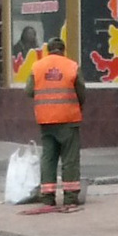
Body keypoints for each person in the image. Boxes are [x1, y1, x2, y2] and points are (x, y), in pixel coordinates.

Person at [26, 37, 86, 207]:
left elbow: (29, 91)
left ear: (48, 50)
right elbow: (81, 92)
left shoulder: (37, 67)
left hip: (46, 120)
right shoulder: (72, 66)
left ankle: (47, 198)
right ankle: (70, 198)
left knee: (48, 158)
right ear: (63, 50)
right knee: (70, 159)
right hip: (68, 119)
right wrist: (78, 105)